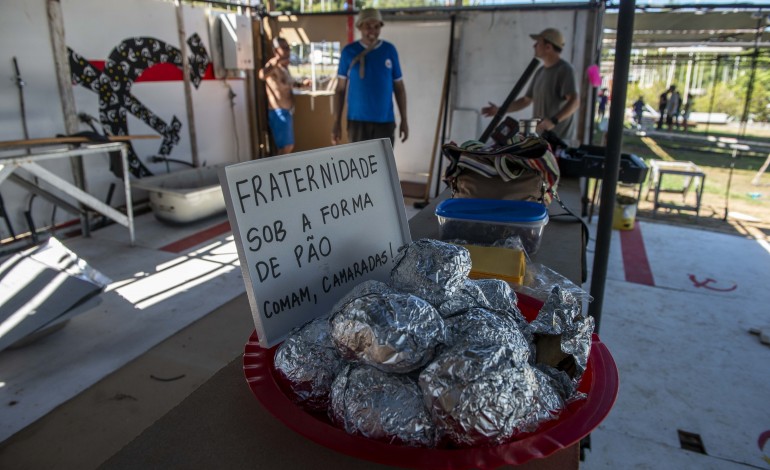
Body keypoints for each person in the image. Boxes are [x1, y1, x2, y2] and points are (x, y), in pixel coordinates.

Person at [481, 28, 579, 143]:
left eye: (538, 43)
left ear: (548, 47)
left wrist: (553, 121)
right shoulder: (540, 71)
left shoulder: (565, 70)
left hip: (558, 140)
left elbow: (574, 101)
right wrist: (500, 110)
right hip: (540, 139)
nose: (534, 46)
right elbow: (525, 101)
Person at [331, 8, 408, 147]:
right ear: (360, 27)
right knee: (358, 167)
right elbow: (340, 90)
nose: (372, 30)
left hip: (385, 122)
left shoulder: (389, 50)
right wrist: (336, 122)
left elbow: (399, 88)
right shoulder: (349, 52)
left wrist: (404, 119)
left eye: (376, 26)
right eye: (368, 26)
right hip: (357, 123)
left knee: (384, 167)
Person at [259, 37, 299, 155]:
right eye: (285, 48)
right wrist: (276, 62)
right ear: (276, 50)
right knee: (286, 147)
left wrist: (302, 84)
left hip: (287, 111)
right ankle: (277, 171)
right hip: (278, 112)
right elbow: (262, 75)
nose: (288, 51)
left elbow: (289, 84)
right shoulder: (272, 65)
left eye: (288, 48)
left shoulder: (284, 67)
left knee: (288, 147)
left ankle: (281, 171)